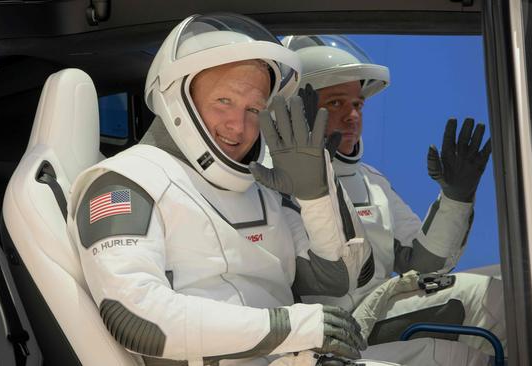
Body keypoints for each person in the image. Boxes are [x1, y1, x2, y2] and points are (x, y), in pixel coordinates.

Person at [66, 15, 376, 366]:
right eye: (223, 101)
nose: (238, 125)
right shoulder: (123, 182)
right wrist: (290, 326)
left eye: (254, 109)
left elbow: (337, 279)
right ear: (177, 97)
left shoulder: (264, 188)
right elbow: (137, 318)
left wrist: (317, 194)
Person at [282, 35, 505, 358]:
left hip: (381, 309)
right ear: (299, 110)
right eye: (335, 103)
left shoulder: (372, 181)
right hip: (333, 328)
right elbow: (328, 281)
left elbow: (426, 263)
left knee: (501, 295)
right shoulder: (278, 181)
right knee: (491, 302)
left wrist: (456, 198)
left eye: (357, 104)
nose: (352, 116)